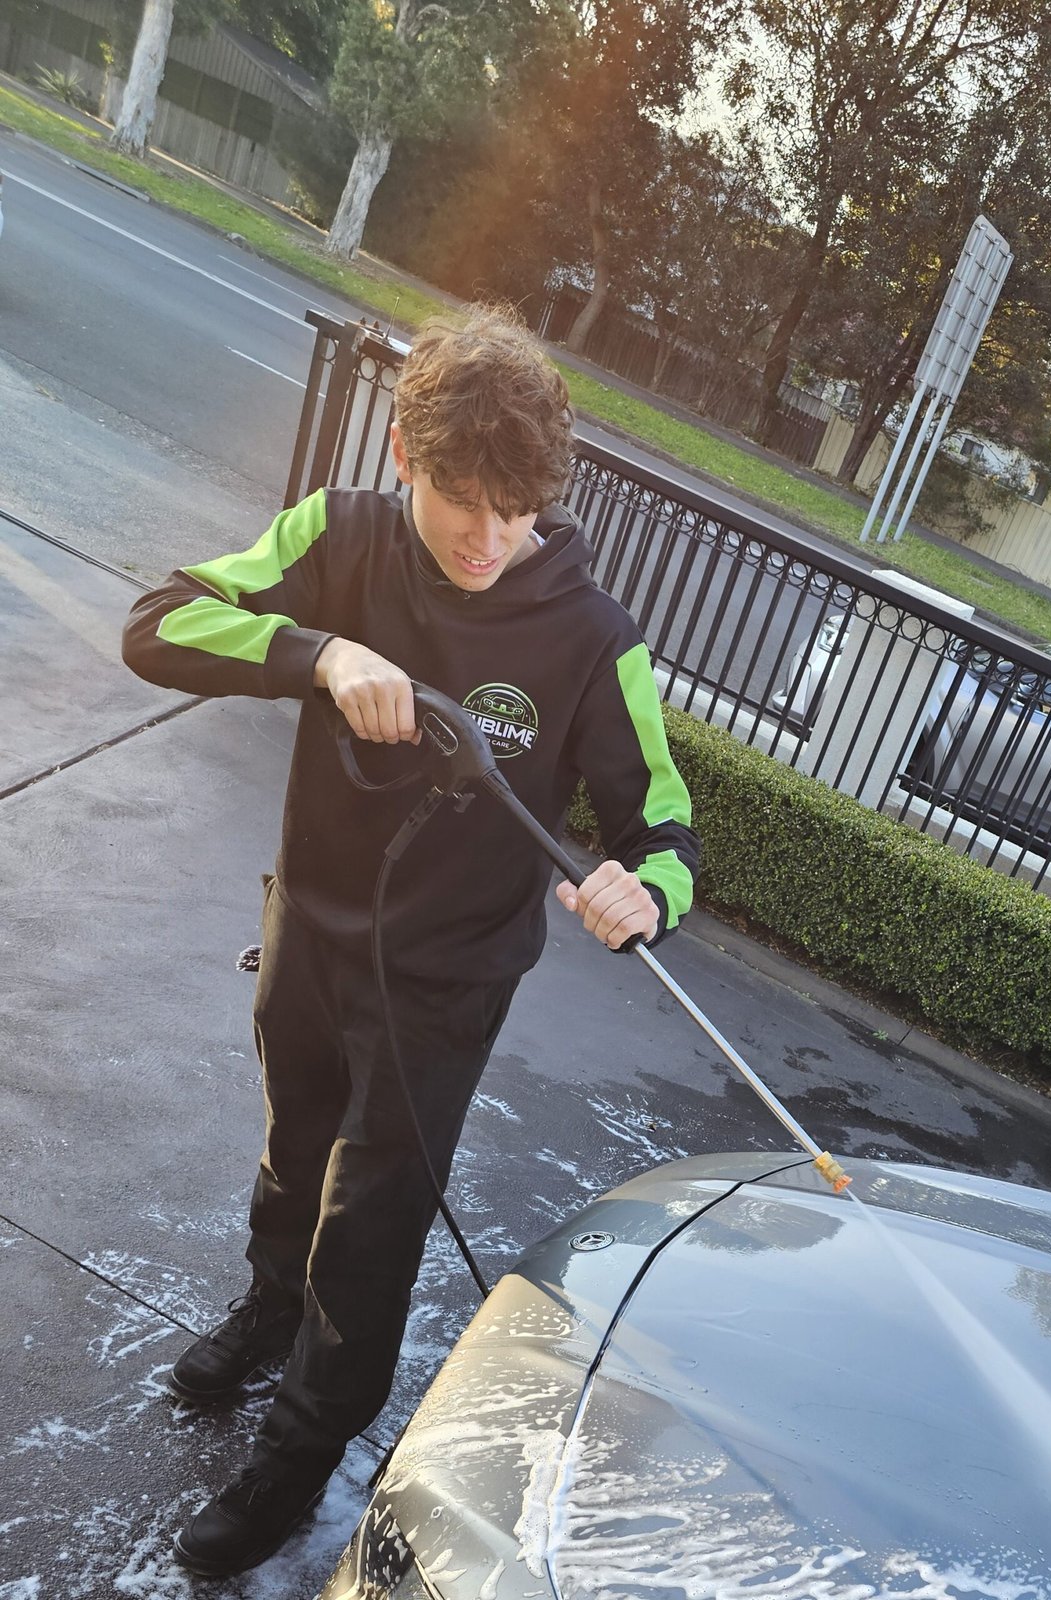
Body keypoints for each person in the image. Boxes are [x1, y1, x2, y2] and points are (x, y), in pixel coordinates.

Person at [122, 303, 699, 1577]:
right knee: (292, 1147)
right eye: (458, 499)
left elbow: (664, 824)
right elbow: (159, 621)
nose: (487, 538)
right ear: (402, 450)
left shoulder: (596, 639)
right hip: (311, 926)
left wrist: (647, 892)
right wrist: (320, 654)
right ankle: (269, 1311)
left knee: (373, 1213)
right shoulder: (339, 534)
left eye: (515, 508)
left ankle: (302, 1446)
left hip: (447, 981)